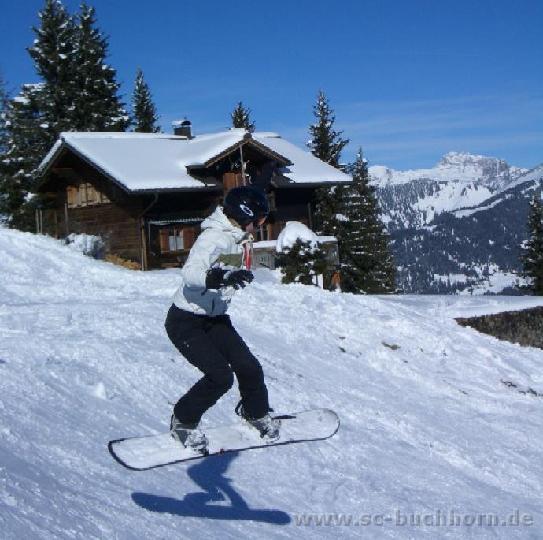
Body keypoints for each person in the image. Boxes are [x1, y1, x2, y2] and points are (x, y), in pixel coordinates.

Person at [164, 186, 280, 453]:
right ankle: (183, 421)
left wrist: (236, 274)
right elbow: (190, 273)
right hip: (186, 321)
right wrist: (221, 278)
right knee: (220, 377)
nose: (259, 226)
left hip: (215, 319)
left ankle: (255, 413)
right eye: (259, 220)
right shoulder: (213, 237)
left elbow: (229, 263)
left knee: (249, 367)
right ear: (244, 215)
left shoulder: (237, 237)